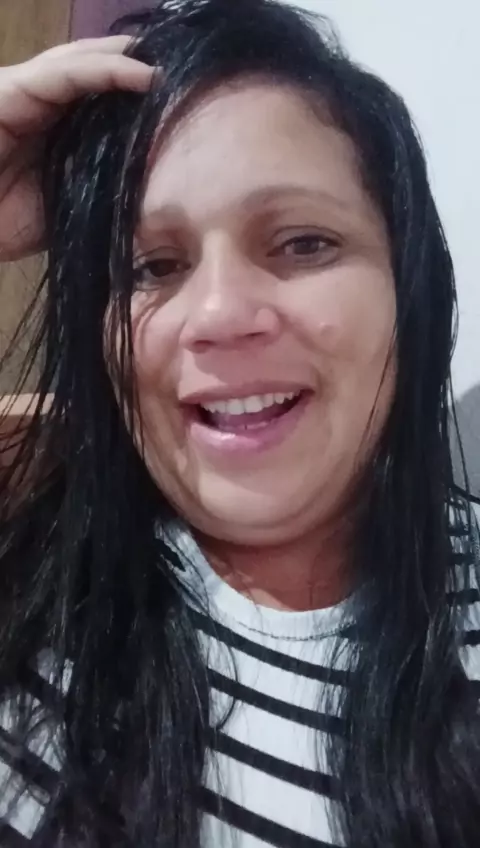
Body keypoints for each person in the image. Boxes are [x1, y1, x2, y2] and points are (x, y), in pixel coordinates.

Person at [0, 0, 479, 846]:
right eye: (152, 266)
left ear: (409, 288)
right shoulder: (28, 606)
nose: (220, 314)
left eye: (303, 243)